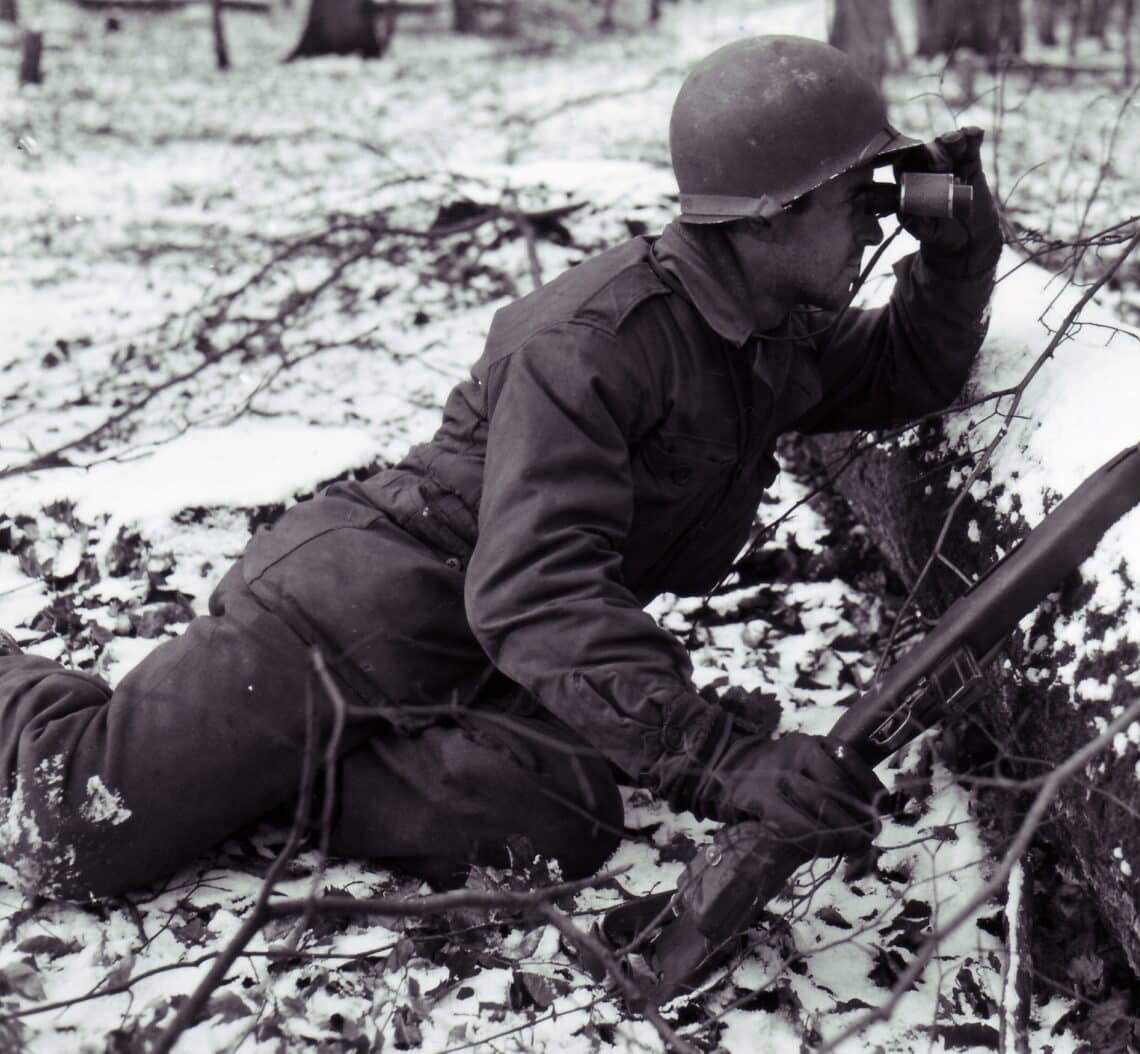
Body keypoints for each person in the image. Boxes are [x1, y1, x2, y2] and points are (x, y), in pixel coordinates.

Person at [0, 34, 1001, 901]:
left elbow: (904, 365)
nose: (873, 222)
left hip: (487, 657)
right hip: (348, 622)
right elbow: (533, 586)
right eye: (851, 198)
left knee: (561, 817)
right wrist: (717, 755)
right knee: (80, 830)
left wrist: (957, 258)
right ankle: (48, 697)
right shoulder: (594, 341)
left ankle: (266, 769)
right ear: (767, 214)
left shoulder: (763, 329)